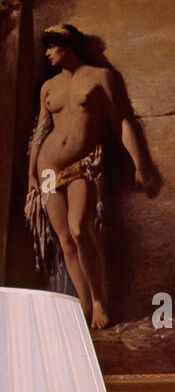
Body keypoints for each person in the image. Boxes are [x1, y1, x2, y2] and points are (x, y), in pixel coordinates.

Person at [24, 23, 161, 328]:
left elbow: (121, 122)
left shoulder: (101, 77)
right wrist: (32, 171)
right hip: (48, 167)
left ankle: (99, 301)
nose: (47, 53)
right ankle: (83, 307)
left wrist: (140, 165)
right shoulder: (49, 86)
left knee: (78, 229)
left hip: (81, 165)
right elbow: (39, 132)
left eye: (51, 47)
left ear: (67, 46)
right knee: (64, 239)